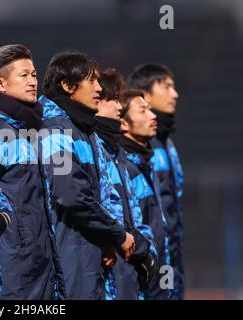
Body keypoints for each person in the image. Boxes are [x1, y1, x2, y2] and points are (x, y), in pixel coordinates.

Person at [38, 51, 135, 299]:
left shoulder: (81, 130)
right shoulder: (56, 130)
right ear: (68, 86)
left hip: (86, 253)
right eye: (92, 81)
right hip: (69, 255)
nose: (100, 88)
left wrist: (105, 238)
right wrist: (115, 233)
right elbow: (71, 195)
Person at [0, 44, 64, 299]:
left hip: (38, 256)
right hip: (13, 259)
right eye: (23, 75)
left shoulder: (25, 130)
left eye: (34, 74)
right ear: (1, 84)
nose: (32, 81)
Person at [95, 68, 157, 299]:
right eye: (112, 99)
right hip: (116, 272)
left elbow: (145, 220)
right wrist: (140, 249)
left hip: (132, 273)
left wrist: (147, 251)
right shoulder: (99, 154)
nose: (118, 107)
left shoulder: (122, 159)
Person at [128, 64, 184, 299]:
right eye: (167, 87)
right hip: (151, 256)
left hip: (172, 254)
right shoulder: (139, 147)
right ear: (146, 94)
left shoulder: (166, 143)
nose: (175, 94)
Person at [119, 89, 172, 299]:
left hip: (158, 276)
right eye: (143, 111)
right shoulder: (124, 169)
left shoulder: (145, 164)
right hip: (138, 282)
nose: (152, 116)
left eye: (150, 110)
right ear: (123, 123)